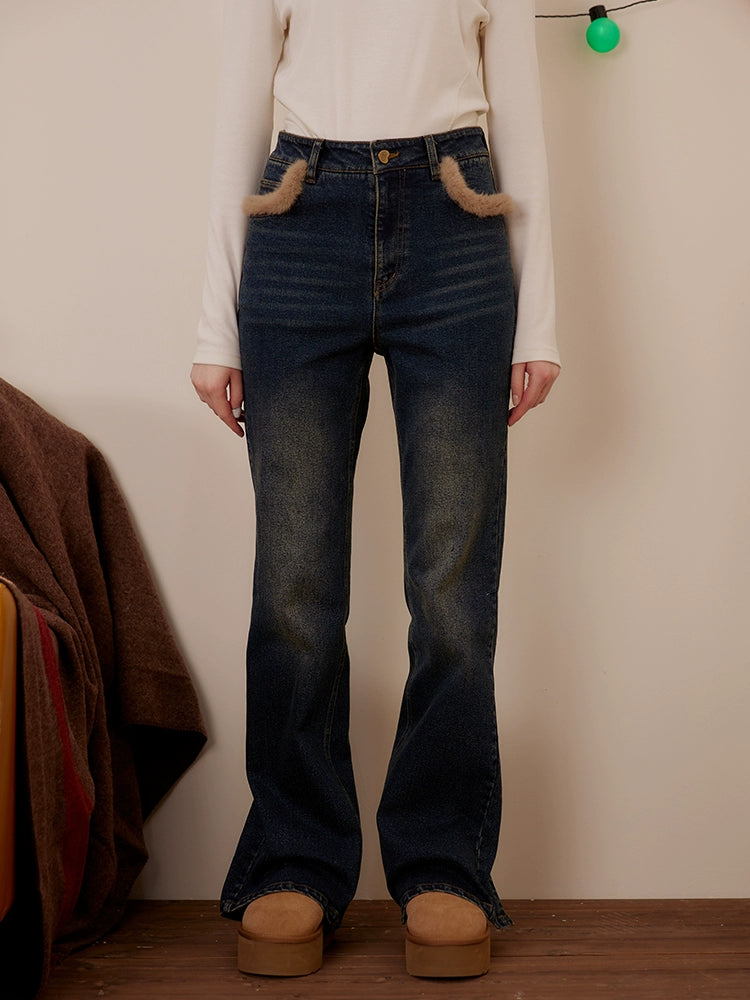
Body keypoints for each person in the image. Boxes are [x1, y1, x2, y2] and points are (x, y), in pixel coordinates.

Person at [191, 0, 560, 980]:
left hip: (459, 220)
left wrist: (538, 320)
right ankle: (295, 858)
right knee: (295, 588)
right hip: (298, 218)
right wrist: (214, 328)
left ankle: (442, 864)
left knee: (452, 592)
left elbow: (521, 125)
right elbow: (237, 119)